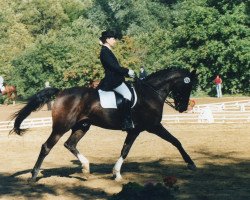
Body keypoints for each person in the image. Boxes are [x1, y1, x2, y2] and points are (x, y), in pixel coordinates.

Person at [98, 30, 135, 131]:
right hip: (113, 81)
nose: (115, 40)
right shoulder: (104, 52)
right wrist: (127, 71)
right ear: (107, 40)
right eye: (113, 38)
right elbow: (115, 67)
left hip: (116, 79)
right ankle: (126, 121)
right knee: (128, 95)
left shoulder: (108, 51)